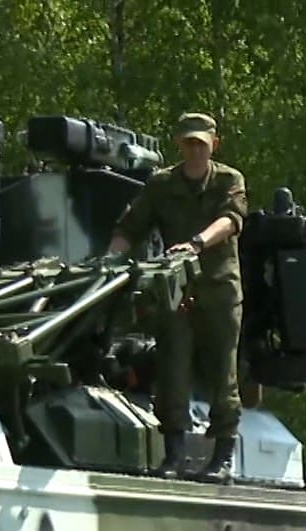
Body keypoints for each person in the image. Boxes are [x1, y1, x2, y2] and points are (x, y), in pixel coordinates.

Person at [108, 111, 249, 480]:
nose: (195, 150)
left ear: (214, 145)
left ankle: (222, 457)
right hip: (176, 291)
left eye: (201, 144)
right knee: (172, 370)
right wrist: (109, 260)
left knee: (223, 373)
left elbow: (231, 220)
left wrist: (197, 243)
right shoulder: (162, 185)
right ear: (179, 144)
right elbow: (131, 226)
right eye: (188, 143)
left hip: (218, 289)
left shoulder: (228, 180)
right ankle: (174, 455)